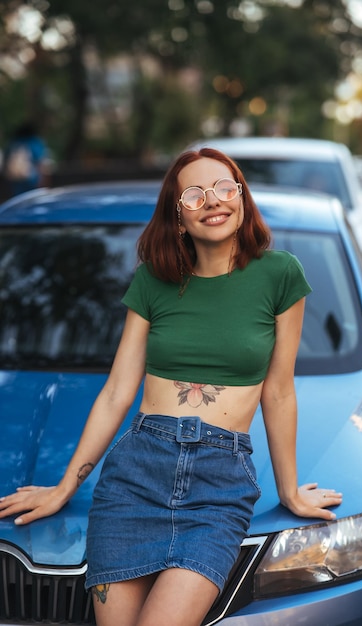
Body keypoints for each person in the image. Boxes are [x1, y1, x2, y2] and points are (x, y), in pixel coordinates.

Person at [0, 148, 342, 626]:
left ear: (241, 199)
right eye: (194, 194)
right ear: (178, 215)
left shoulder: (280, 274)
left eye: (225, 188)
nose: (213, 201)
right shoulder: (153, 282)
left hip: (219, 485)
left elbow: (279, 392)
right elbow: (118, 391)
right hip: (136, 475)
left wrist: (290, 489)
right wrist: (63, 488)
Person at [2, 121, 50, 196]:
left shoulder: (13, 142)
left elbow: (6, 159)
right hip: (31, 178)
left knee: (19, 198)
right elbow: (40, 162)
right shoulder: (35, 141)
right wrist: (44, 180)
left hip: (15, 177)